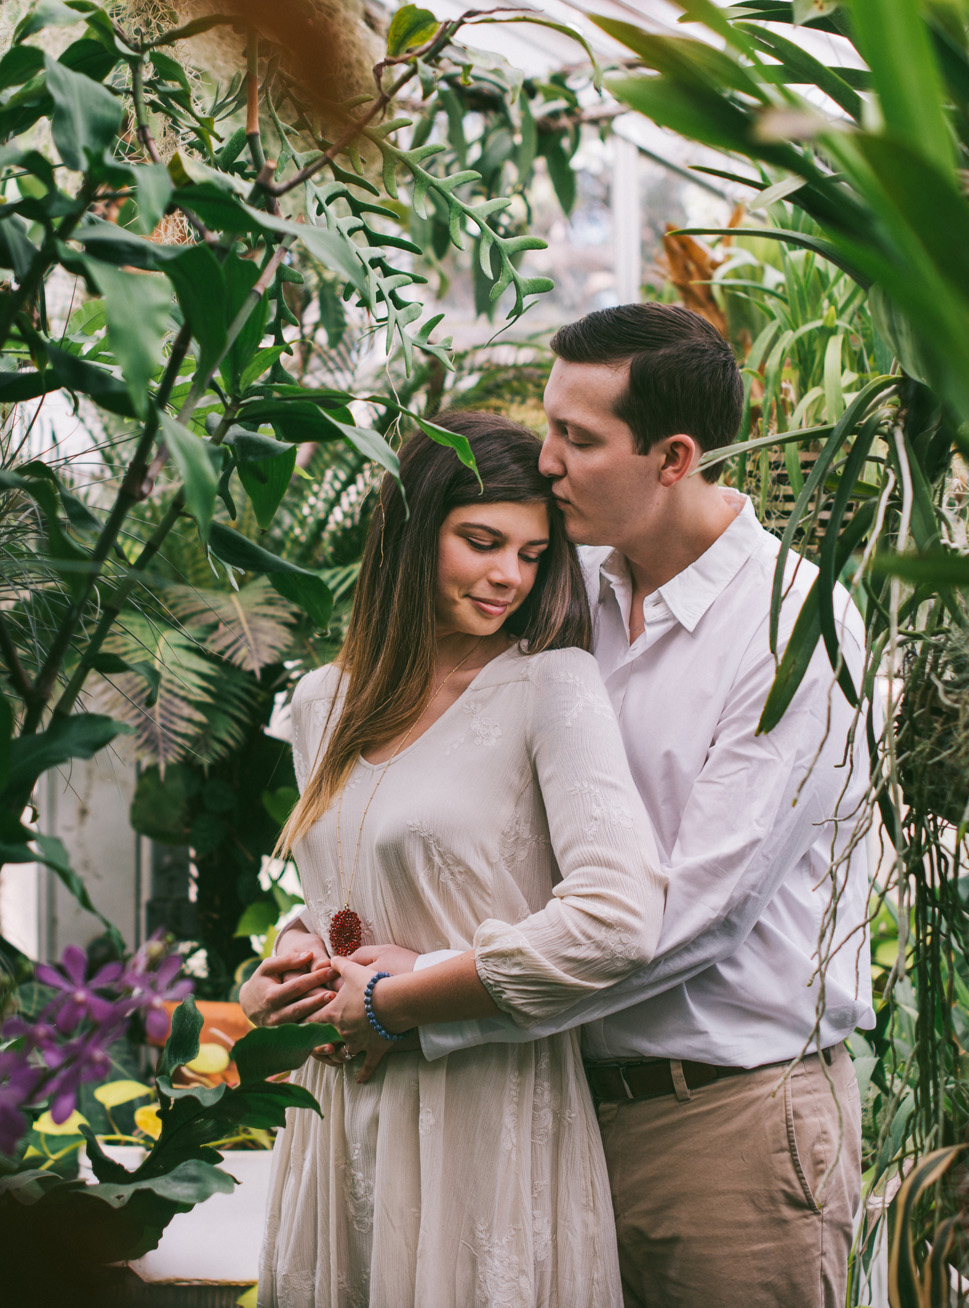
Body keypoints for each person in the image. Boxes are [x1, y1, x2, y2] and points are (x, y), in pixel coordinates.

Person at [246, 304, 873, 1308]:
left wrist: (410, 1002)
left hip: (717, 1123)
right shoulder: (553, 583)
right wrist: (322, 940)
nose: (544, 462)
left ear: (672, 457)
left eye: (575, 440)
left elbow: (689, 921)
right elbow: (455, 817)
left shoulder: (790, 627)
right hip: (543, 1111)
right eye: (547, 426)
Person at [250, 409, 669, 1308]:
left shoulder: (549, 687)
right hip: (337, 1115)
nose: (507, 577)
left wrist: (402, 997)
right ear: (409, 531)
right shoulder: (323, 701)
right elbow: (340, 892)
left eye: (530, 554)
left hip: (476, 1105)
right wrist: (279, 973)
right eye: (482, 541)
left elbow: (617, 920)